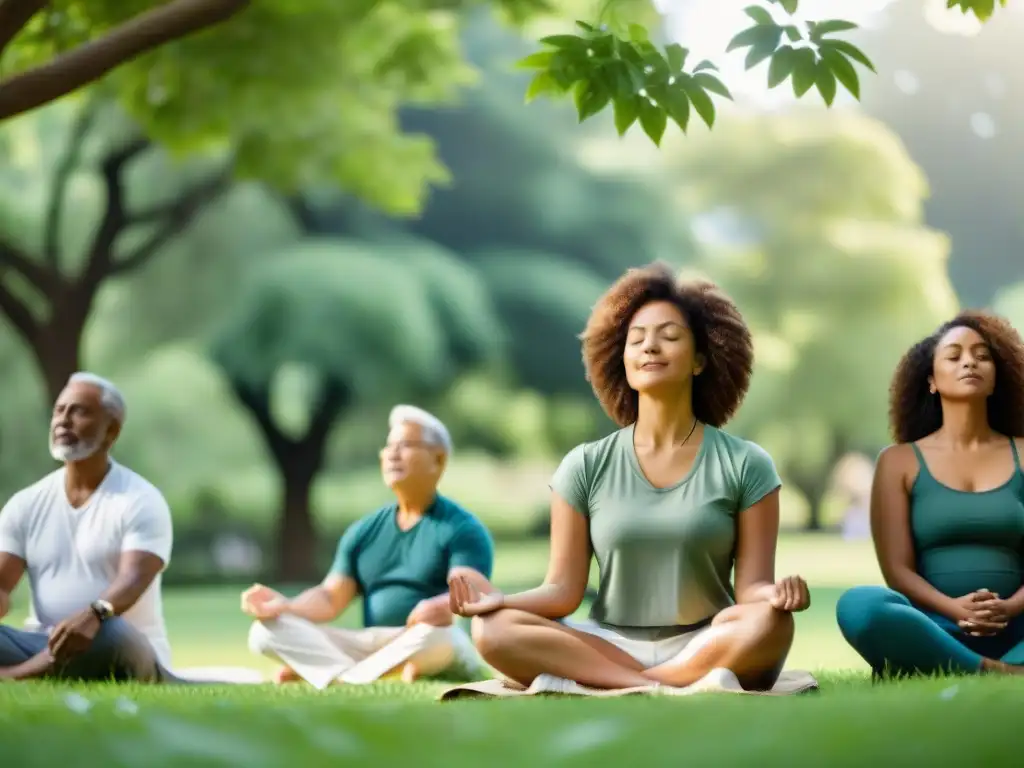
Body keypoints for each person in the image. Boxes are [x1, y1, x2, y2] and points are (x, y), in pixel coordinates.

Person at [448, 263, 810, 691]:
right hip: (608, 643)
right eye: (636, 340)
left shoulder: (746, 463)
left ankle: (625, 685)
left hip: (706, 641)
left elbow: (752, 589)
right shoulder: (584, 464)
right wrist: (499, 601)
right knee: (493, 629)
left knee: (770, 623)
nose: (650, 347)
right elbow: (563, 590)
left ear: (699, 360)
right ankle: (661, 685)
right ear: (620, 359)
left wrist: (776, 596)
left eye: (669, 337)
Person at [244, 405, 495, 688]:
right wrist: (285, 606)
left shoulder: (462, 528)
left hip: (425, 638)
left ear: (438, 459)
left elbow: (469, 593)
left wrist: (439, 605)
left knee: (438, 637)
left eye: (405, 445)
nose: (392, 454)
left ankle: (326, 672)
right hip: (372, 644)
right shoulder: (364, 531)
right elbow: (330, 597)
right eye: (389, 447)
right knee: (265, 632)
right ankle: (361, 675)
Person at [836, 311, 1024, 678]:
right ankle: (992, 670)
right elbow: (897, 571)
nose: (969, 361)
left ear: (995, 379)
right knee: (860, 605)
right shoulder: (898, 462)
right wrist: (957, 610)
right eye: (954, 356)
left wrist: (1011, 608)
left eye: (982, 356)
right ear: (931, 381)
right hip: (935, 627)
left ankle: (943, 667)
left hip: (1017, 628)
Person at [0, 373, 174, 682]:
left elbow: (132, 580)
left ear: (112, 430)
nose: (63, 420)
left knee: (112, 633)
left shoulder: (140, 500)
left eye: (79, 411)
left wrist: (95, 614)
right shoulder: (25, 504)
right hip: (43, 643)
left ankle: (15, 676)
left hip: (119, 647)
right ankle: (38, 671)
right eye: (59, 410)